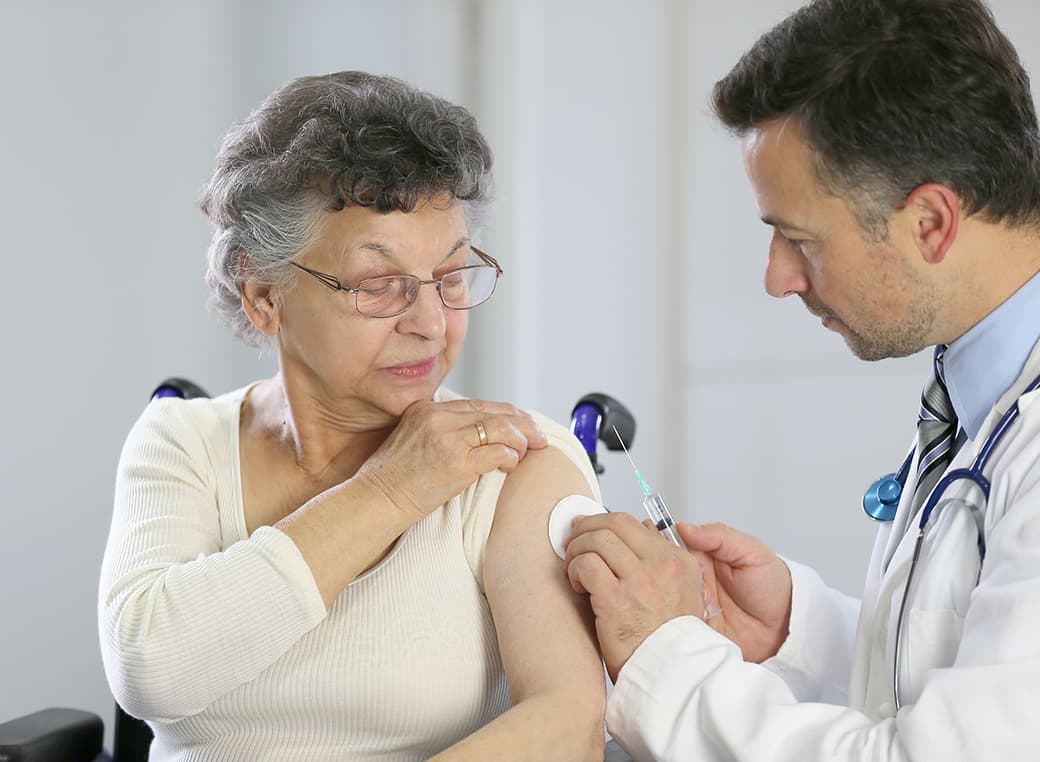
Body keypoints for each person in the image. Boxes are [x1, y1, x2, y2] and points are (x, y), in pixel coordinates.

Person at [564, 1, 1040, 759]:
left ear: (931, 224)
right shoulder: (980, 391)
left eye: (799, 240)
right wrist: (801, 630)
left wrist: (665, 660)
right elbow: (978, 688)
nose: (777, 279)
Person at [98, 71, 607, 761]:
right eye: (378, 286)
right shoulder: (180, 442)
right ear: (263, 297)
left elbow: (567, 723)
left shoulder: (516, 463)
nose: (430, 322)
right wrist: (391, 490)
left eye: (452, 277)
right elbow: (149, 669)